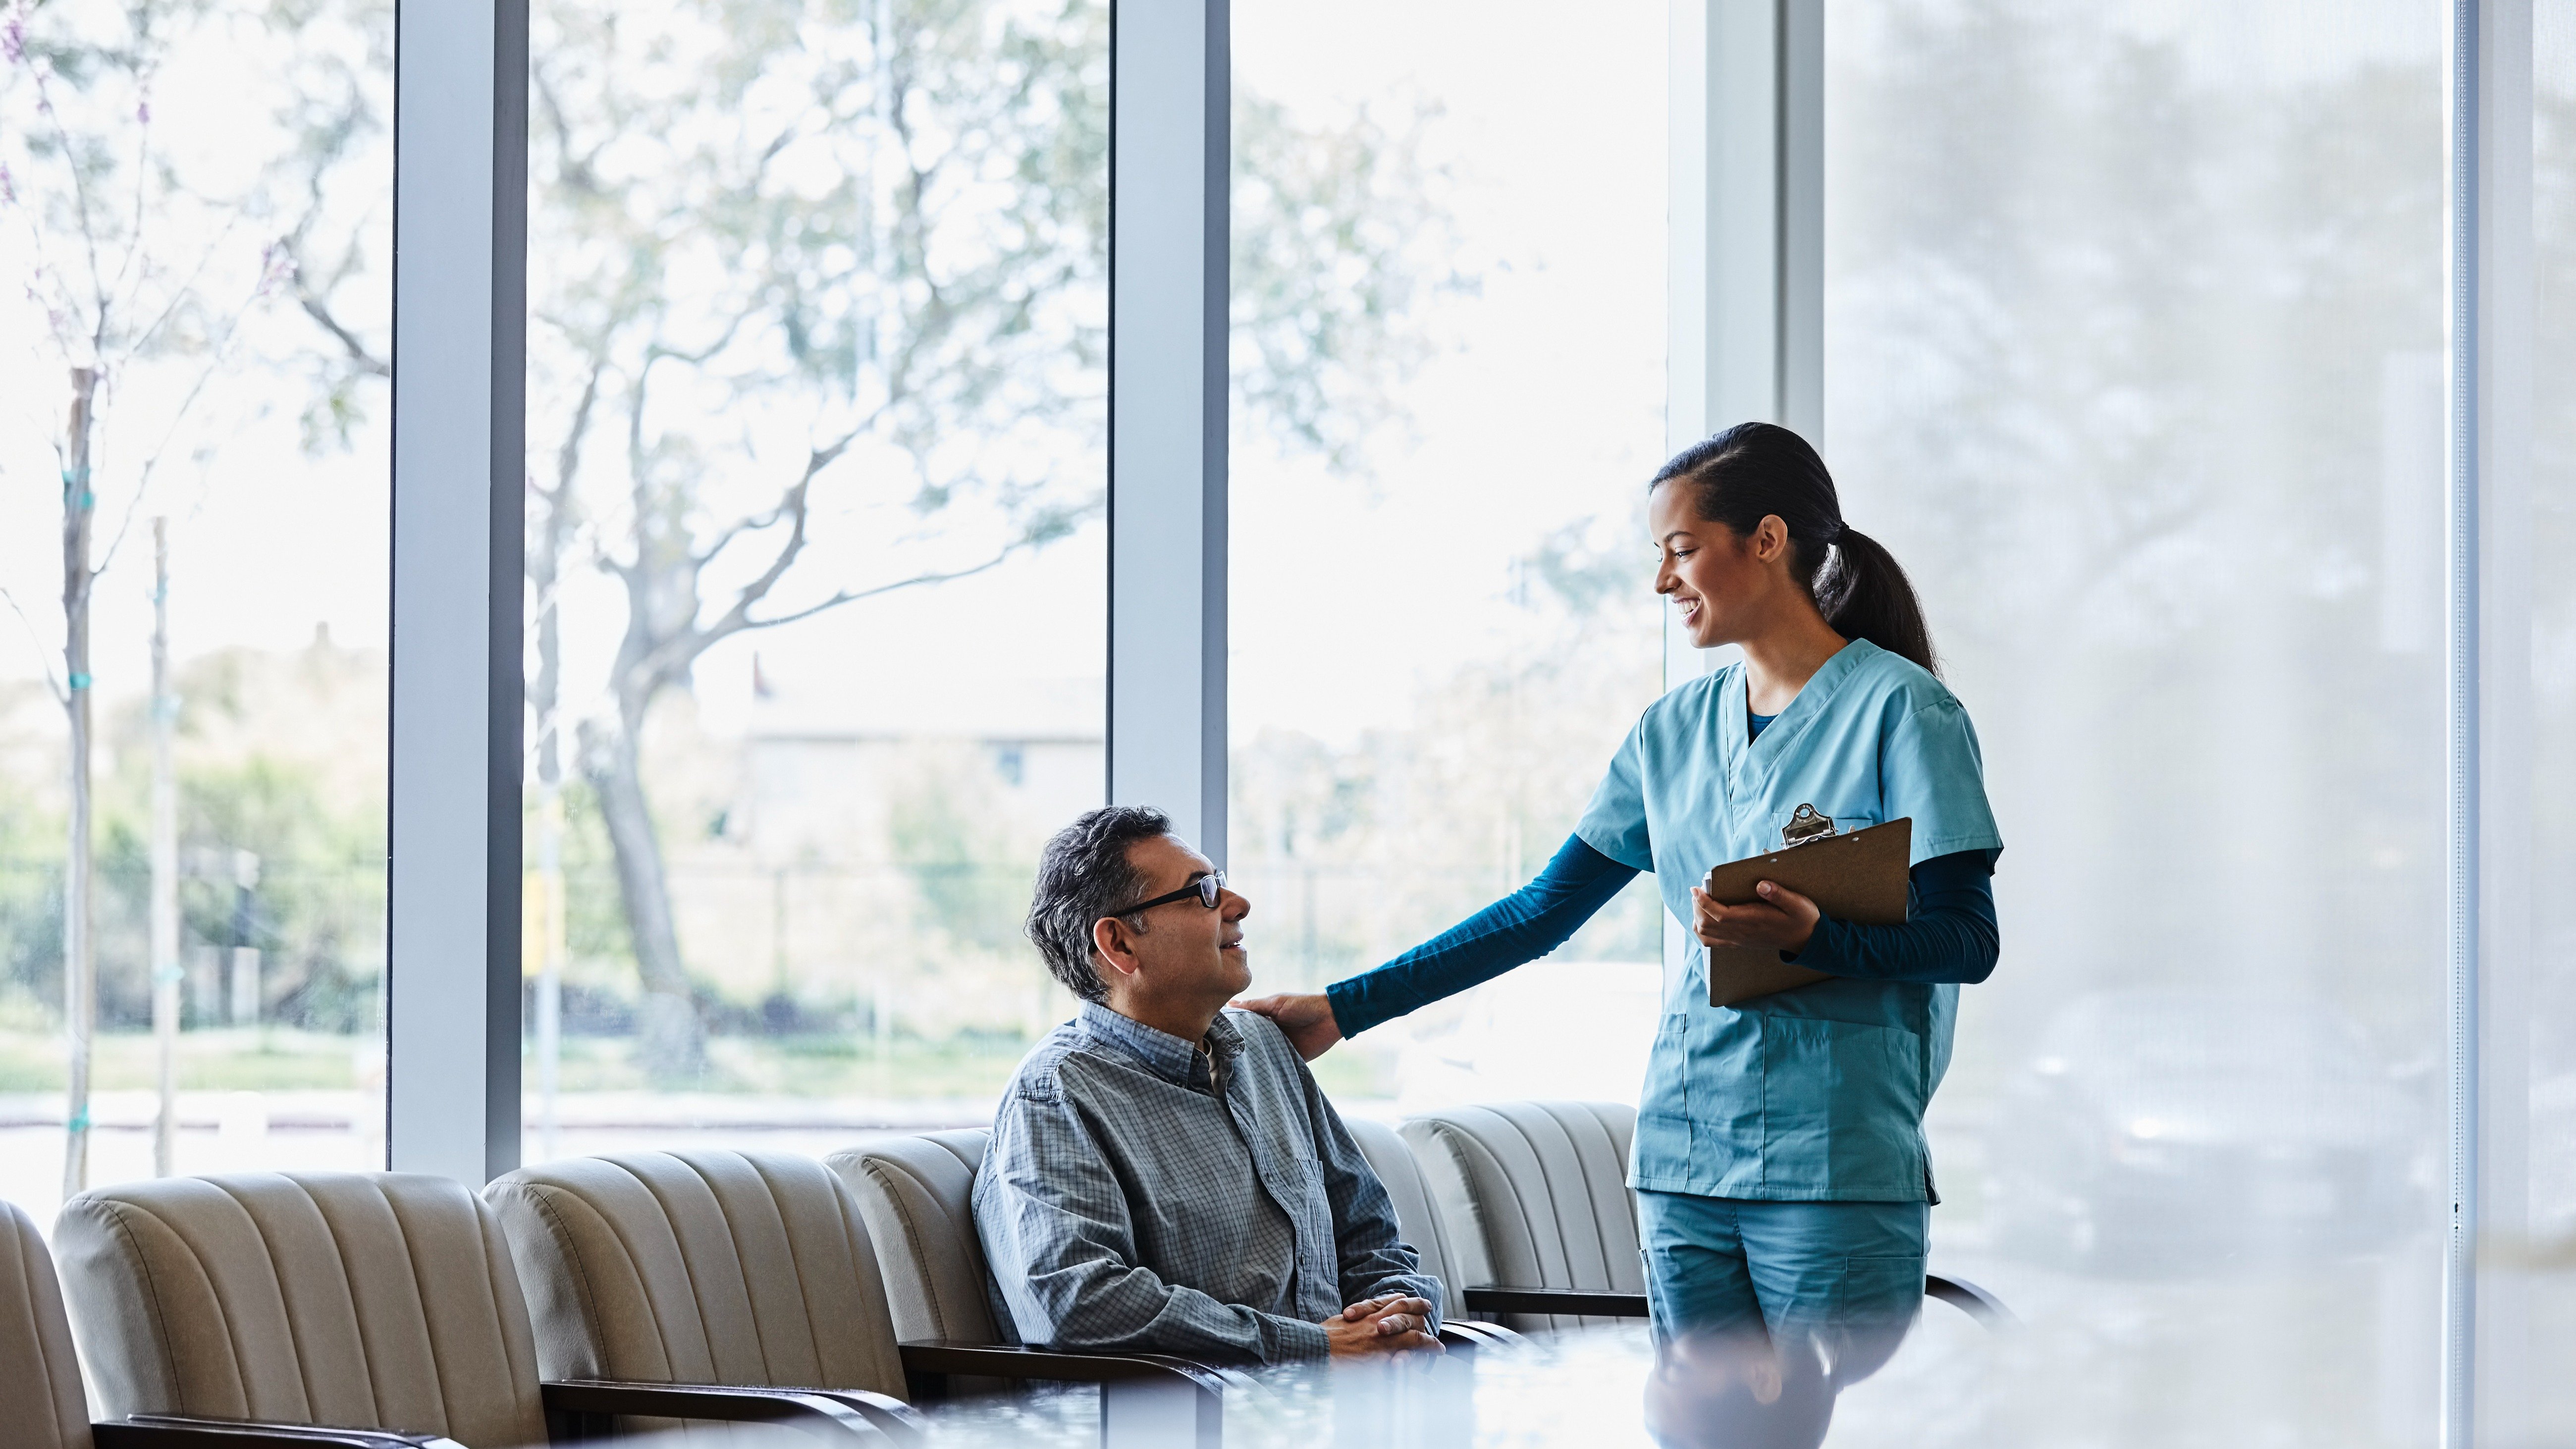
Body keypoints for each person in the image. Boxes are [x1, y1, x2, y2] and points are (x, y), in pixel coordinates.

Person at [1238, 422, 2002, 1383]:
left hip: (1833, 1166)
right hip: (1681, 1161)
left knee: (1831, 1426)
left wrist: (1821, 934)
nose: (1662, 582)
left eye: (1680, 550)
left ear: (1765, 540)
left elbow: (1965, 938)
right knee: (1708, 1432)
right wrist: (1340, 1009)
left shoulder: (1904, 713)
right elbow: (1539, 912)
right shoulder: (1670, 731)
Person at [972, 804, 1448, 1366]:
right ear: (1120, 944)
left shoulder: (1265, 1049)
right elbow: (1079, 1302)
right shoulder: (1058, 1094)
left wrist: (1395, 1324)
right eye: (1203, 892)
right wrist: (1315, 1348)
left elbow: (1369, 1237)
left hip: (1339, 1412)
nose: (1239, 904)